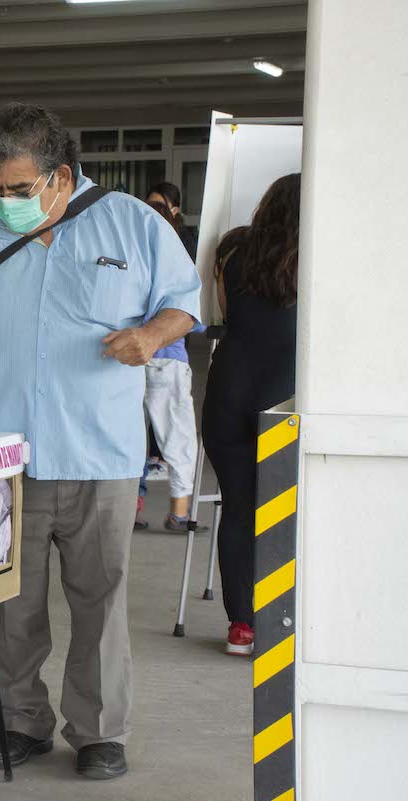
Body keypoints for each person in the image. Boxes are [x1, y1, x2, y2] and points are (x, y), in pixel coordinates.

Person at [0, 103, 200, 780]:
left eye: (18, 190)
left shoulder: (131, 221)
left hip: (100, 456)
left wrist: (149, 336)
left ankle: (97, 732)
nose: (3, 203)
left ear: (60, 176)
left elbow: (184, 298)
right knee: (8, 602)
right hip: (1, 457)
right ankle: (18, 719)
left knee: (100, 600)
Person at [202, 173, 300, 657]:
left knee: (239, 509)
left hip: (228, 392)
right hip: (286, 397)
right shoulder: (316, 260)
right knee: (287, 515)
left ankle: (242, 625)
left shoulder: (235, 251)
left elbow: (223, 312)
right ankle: (285, 619)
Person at [134, 201, 201, 531]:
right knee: (179, 438)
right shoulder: (174, 264)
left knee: (131, 439)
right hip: (169, 362)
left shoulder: (130, 260)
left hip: (131, 363)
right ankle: (179, 513)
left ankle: (132, 510)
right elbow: (194, 320)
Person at [146, 181, 198, 258]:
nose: (154, 211)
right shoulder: (139, 230)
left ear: (174, 211)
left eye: (160, 207)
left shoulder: (185, 240)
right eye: (150, 206)